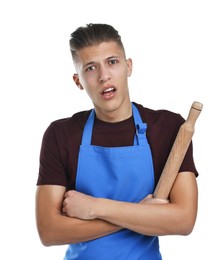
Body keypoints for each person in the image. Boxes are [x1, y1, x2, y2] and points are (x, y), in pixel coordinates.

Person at [36, 23, 198, 260]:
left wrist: (95, 208)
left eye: (112, 62)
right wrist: (142, 215)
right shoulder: (61, 135)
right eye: (90, 68)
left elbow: (183, 220)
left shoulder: (168, 128)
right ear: (78, 80)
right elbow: (49, 231)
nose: (104, 76)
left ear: (128, 66)